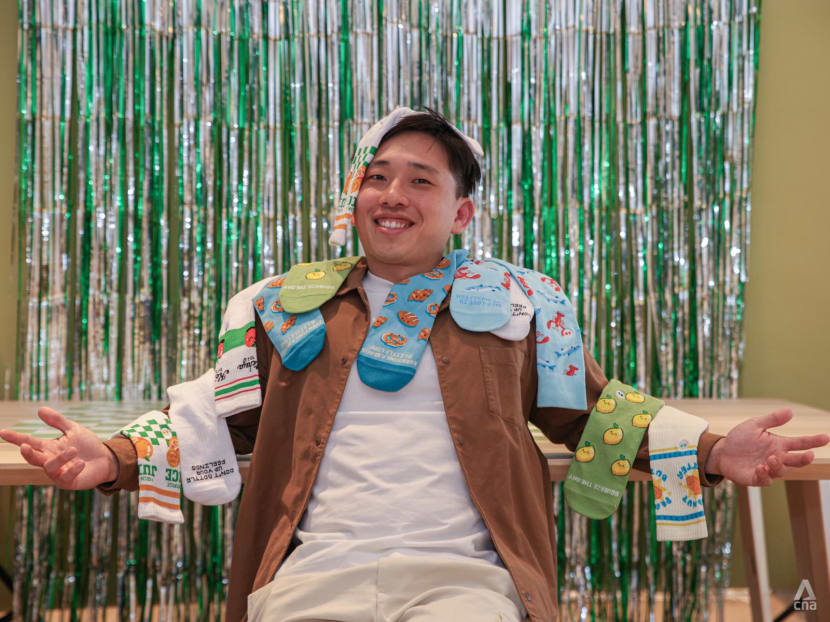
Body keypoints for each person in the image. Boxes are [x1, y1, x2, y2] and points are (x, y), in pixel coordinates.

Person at [2, 109, 828, 622]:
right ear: (356, 199)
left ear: (461, 212)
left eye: (420, 181)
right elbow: (221, 418)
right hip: (313, 572)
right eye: (378, 177)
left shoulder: (520, 305)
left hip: (468, 581)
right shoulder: (282, 306)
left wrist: (713, 450)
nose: (392, 194)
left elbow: (593, 413)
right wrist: (112, 457)